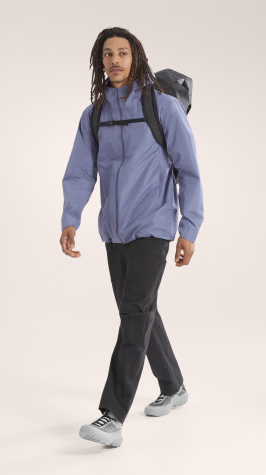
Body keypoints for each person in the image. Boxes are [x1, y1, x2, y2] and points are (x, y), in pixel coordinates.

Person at [59, 27, 204, 447]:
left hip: (154, 224)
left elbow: (189, 170)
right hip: (114, 228)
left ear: (136, 57)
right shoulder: (94, 114)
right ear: (99, 62)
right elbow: (80, 171)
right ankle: (173, 385)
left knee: (135, 311)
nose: (115, 60)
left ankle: (113, 416)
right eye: (107, 54)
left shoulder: (162, 107)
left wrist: (189, 228)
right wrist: (71, 218)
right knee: (138, 310)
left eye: (123, 52)